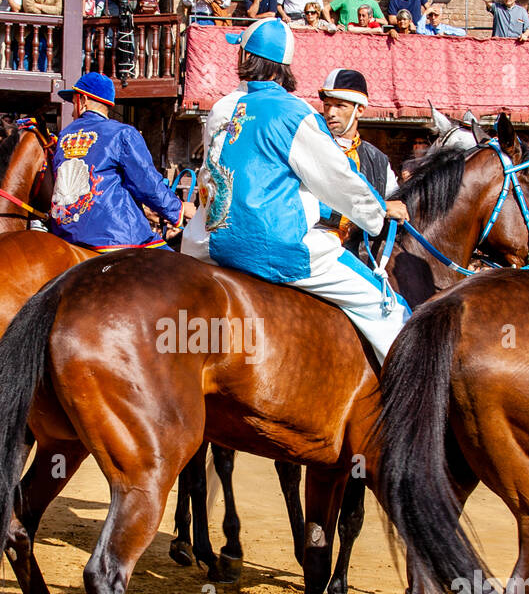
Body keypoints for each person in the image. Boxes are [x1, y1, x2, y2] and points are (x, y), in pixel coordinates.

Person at [180, 18, 412, 365]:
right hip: (275, 248)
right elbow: (338, 179)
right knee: (388, 308)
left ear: (245, 56)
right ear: (283, 67)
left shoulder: (221, 108)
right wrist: (378, 214)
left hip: (203, 244)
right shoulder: (296, 113)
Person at [49, 72, 191, 251]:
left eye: (73, 102)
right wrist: (179, 211)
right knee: (178, 269)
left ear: (82, 100)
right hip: (116, 236)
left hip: (64, 236)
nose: (71, 110)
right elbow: (147, 184)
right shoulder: (122, 133)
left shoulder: (62, 137)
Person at [315, 68, 396, 243]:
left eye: (340, 106)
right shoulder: (311, 147)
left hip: (365, 253)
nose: (331, 113)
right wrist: (381, 208)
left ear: (359, 110)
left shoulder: (380, 160)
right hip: (317, 245)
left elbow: (393, 206)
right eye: (327, 105)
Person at [22, 0, 62, 71]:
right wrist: (48, 12)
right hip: (28, 27)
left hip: (46, 30)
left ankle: (42, 73)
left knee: (44, 51)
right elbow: (29, 8)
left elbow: (58, 10)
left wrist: (39, 6)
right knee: (24, 53)